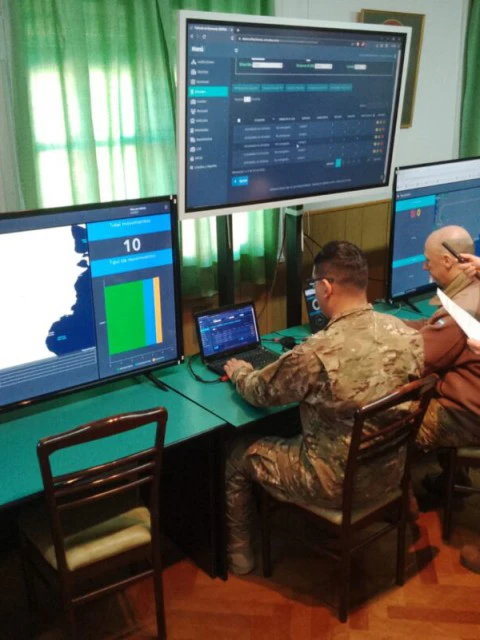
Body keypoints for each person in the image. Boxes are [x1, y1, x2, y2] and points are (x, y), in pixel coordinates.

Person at [223, 241, 423, 575]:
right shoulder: (407, 334)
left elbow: (260, 392)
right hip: (391, 473)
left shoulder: (316, 352)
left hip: (332, 485)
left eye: (315, 284)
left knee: (236, 454)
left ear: (326, 287)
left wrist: (239, 372)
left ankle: (240, 556)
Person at [399, 227, 480, 482]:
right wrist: (387, 324)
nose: (424, 267)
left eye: (427, 260)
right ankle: (454, 478)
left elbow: (418, 361)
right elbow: (432, 327)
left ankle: (397, 498)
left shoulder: (462, 309)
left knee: (389, 424)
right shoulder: (473, 289)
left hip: (465, 416)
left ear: (447, 260)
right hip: (473, 404)